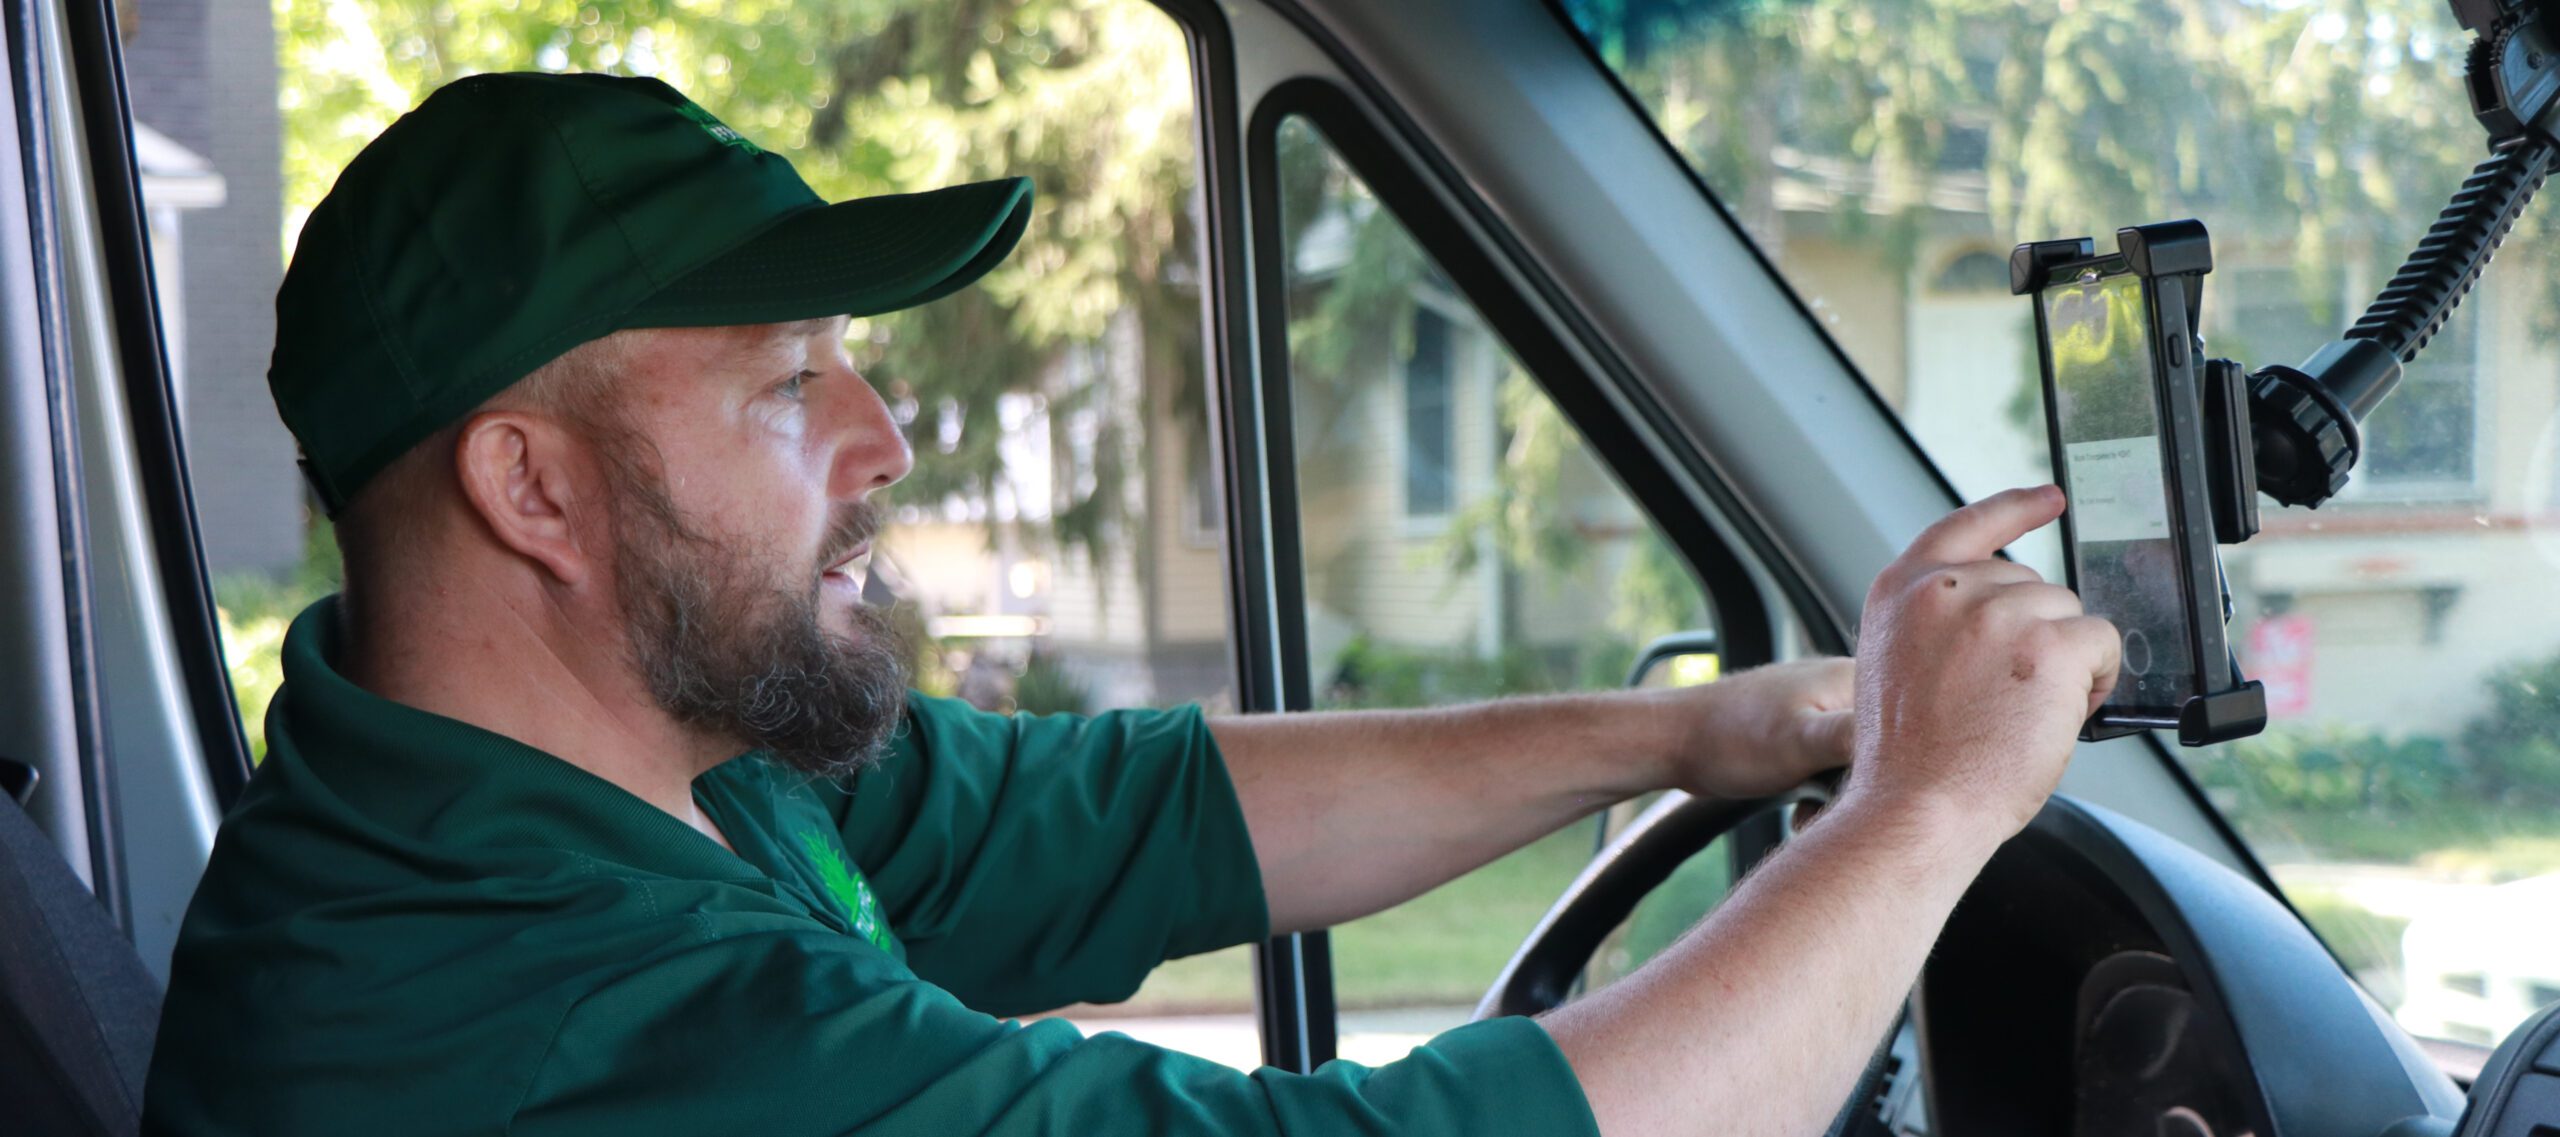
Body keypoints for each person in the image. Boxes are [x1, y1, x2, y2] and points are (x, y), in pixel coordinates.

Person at [142, 72, 2119, 1137]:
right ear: (531, 485)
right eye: (781, 381)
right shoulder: (546, 1023)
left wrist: (1712, 727)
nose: (883, 433)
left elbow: (1143, 811)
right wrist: (1922, 816)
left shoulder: (652, 770)